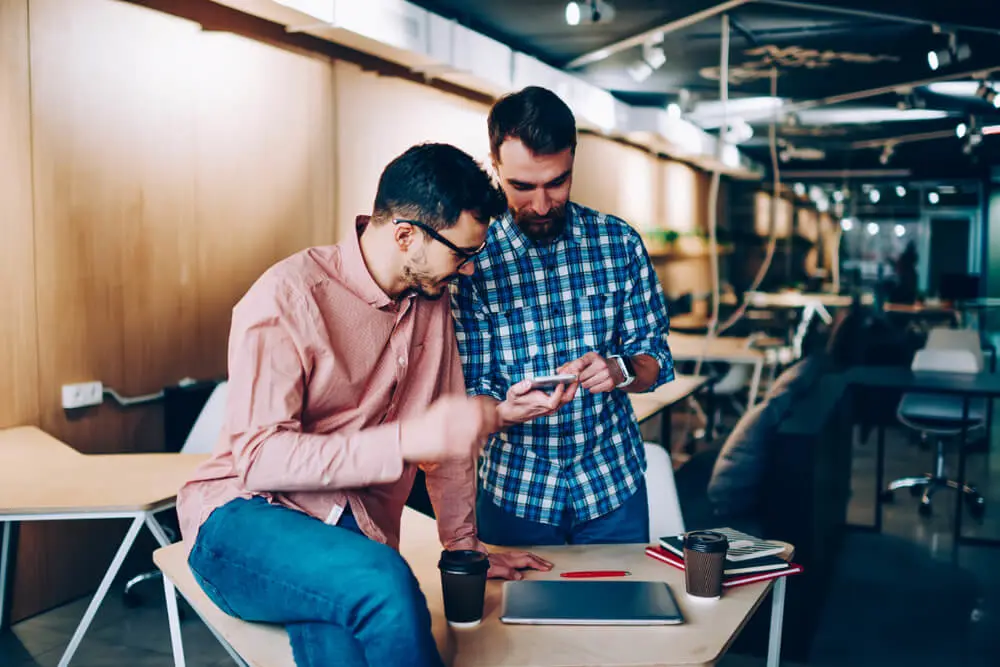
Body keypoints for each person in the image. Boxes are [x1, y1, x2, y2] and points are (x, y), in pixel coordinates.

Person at [177, 143, 556, 667]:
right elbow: (260, 459)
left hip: (348, 534)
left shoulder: (433, 300)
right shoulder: (287, 296)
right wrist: (404, 441)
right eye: (462, 254)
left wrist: (464, 547)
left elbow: (446, 446)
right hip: (242, 517)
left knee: (350, 631)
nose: (469, 271)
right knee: (383, 584)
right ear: (406, 236)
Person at [452, 86, 674, 547]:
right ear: (495, 166)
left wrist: (621, 370)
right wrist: (502, 411)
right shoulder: (472, 261)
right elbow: (468, 390)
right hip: (516, 494)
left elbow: (655, 358)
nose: (540, 204)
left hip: (613, 488)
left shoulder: (619, 244)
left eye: (557, 182)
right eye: (521, 187)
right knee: (514, 621)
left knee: (619, 616)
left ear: (573, 158)